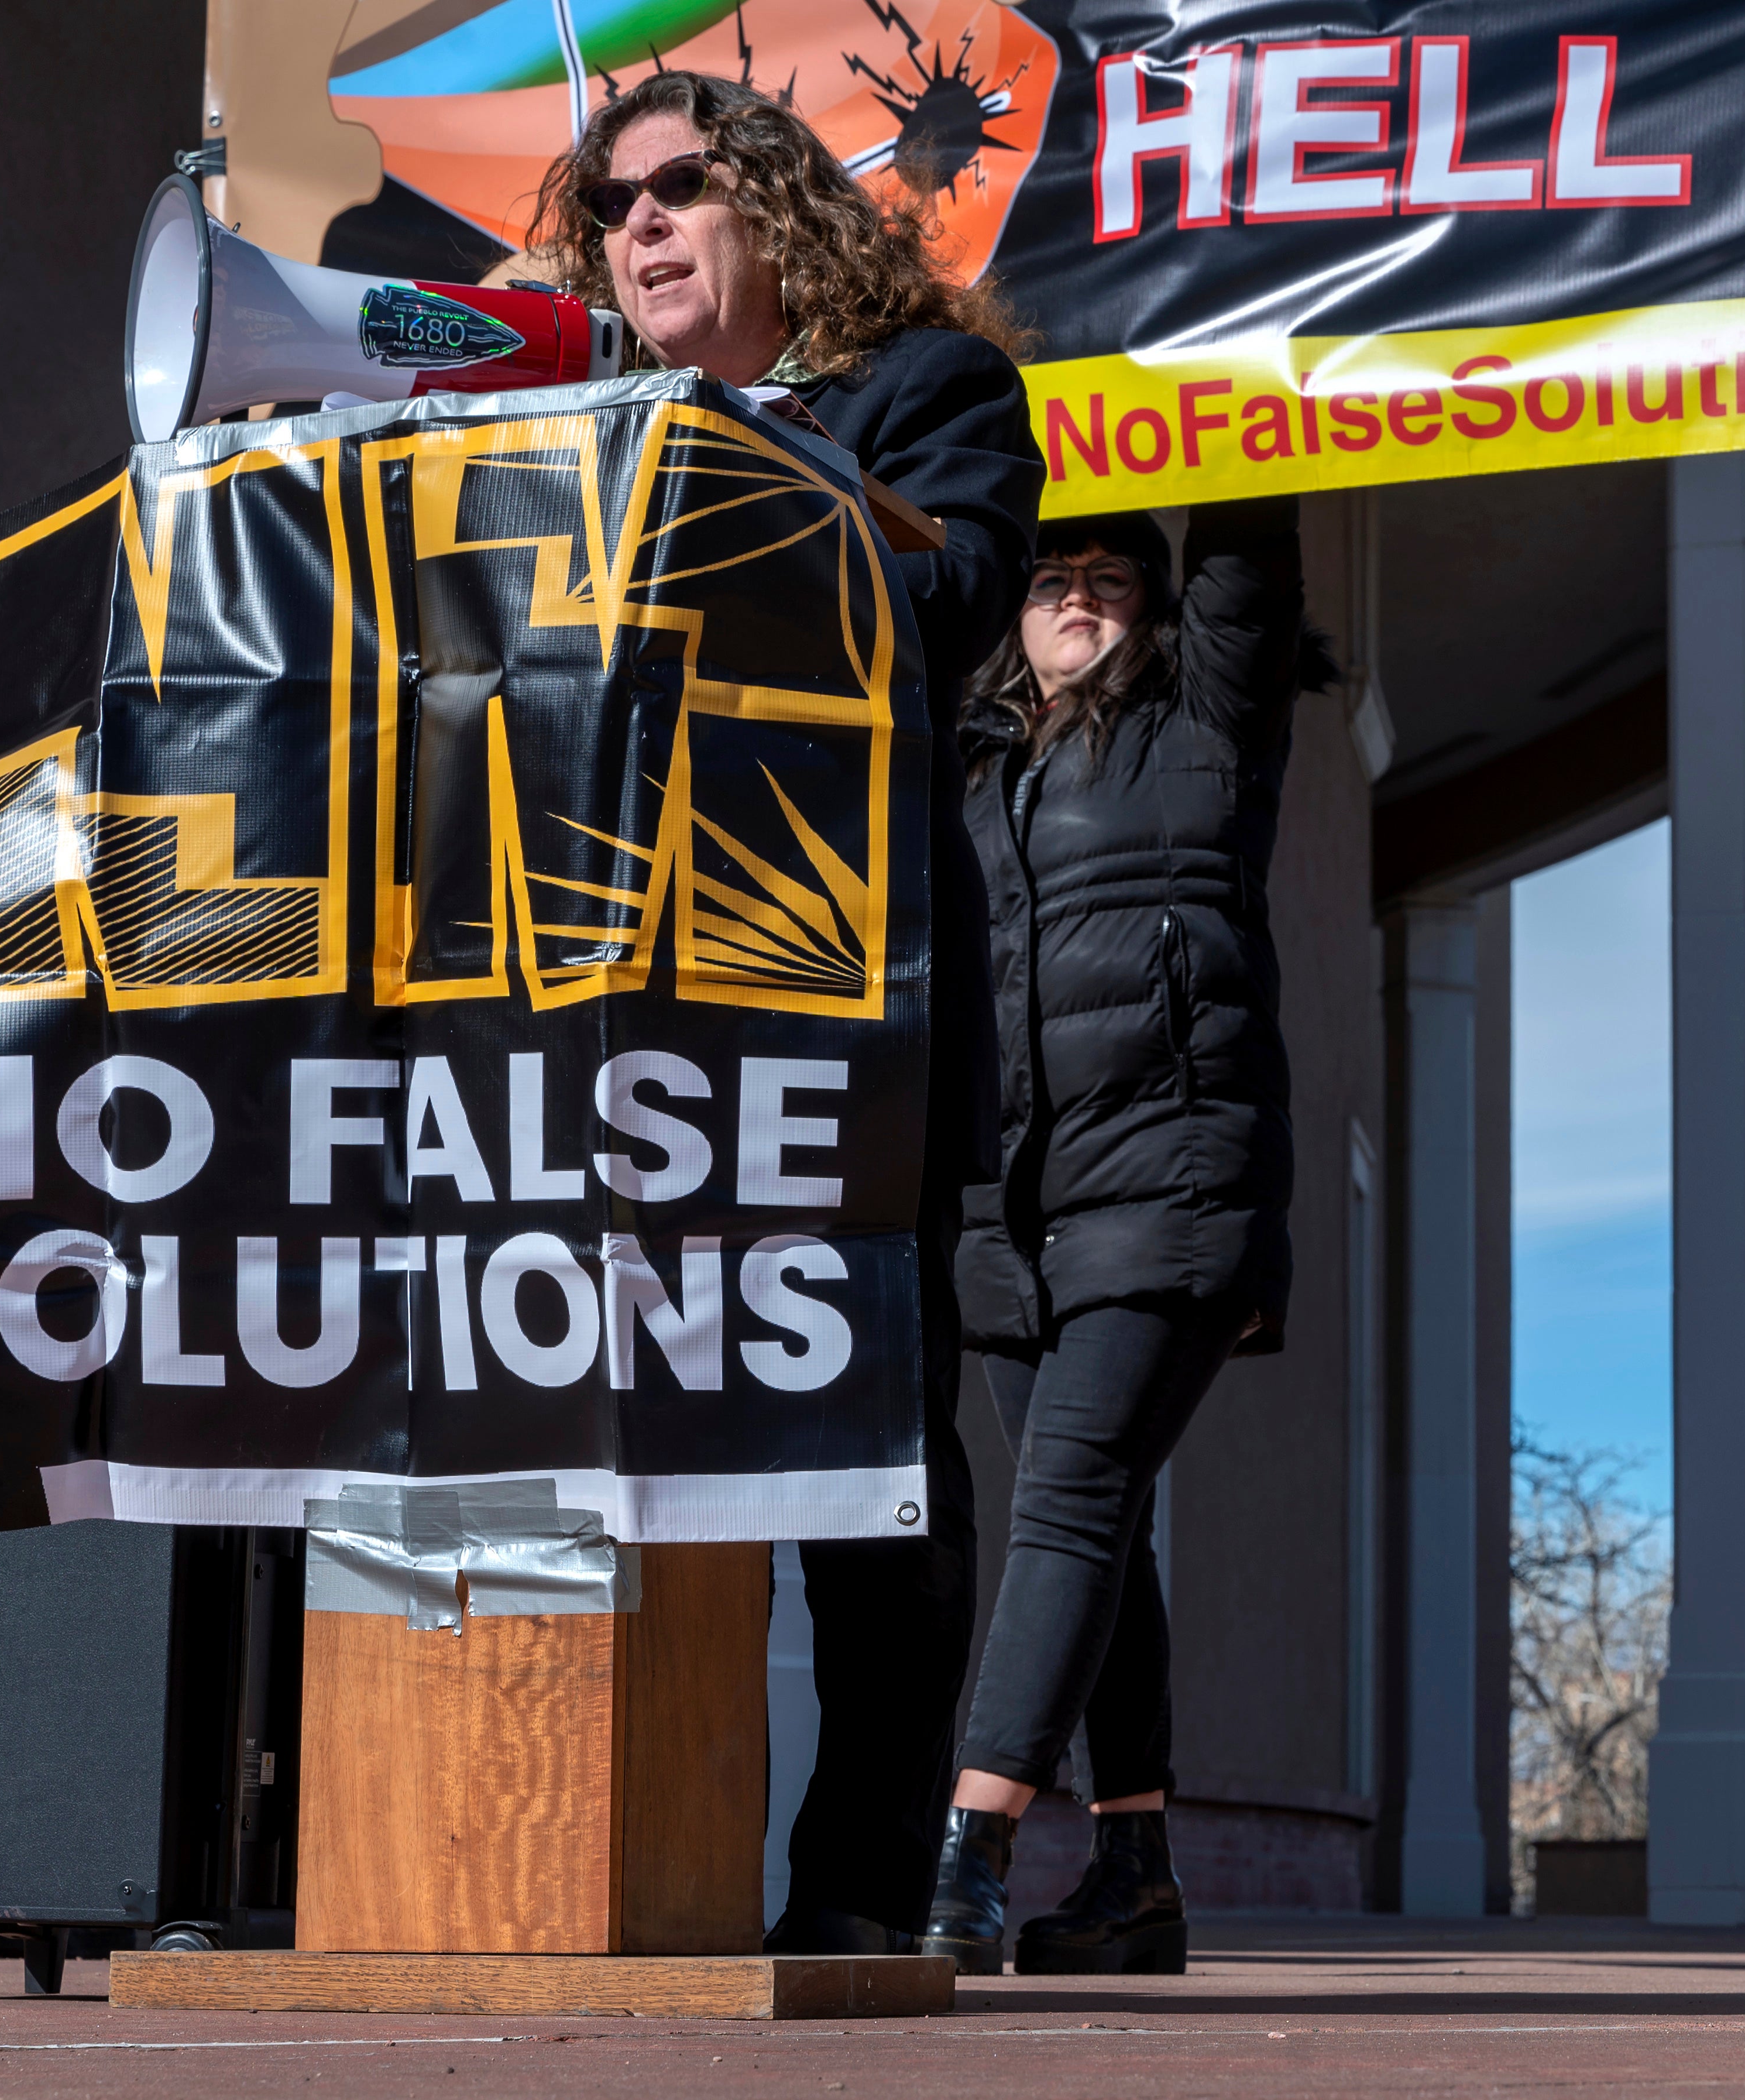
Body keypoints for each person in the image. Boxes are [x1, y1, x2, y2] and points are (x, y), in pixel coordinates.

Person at [528, 70, 1042, 1958]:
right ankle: (598, 1852)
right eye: (607, 207)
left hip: (835, 1018)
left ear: (776, 205)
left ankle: (847, 1888)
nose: (634, 229)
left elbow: (954, 592)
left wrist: (743, 452)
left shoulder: (929, 394)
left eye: (675, 190)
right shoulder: (569, 410)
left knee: (862, 1466)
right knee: (595, 1428)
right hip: (589, 1013)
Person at [919, 502, 1328, 1975]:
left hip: (1175, 1180)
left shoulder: (1209, 711)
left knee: (1071, 1498)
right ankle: (1135, 1871)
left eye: (1108, 581)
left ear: (1155, 612)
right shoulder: (966, 763)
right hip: (1014, 1214)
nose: (1077, 600)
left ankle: (965, 1849)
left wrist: (1180, 337)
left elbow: (1244, 535)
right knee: (1098, 1526)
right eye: (1049, 581)